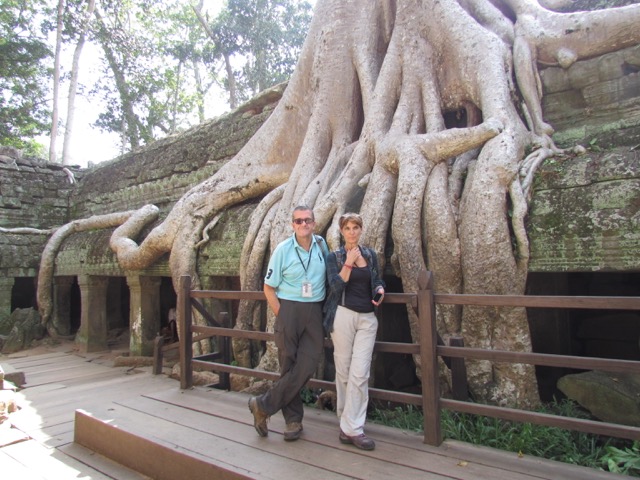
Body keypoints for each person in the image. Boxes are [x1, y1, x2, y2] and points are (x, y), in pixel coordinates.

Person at [248, 205, 329, 441]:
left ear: (314, 223)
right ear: (292, 224)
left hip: (315, 309)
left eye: (308, 220)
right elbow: (268, 287)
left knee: (308, 363)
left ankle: (262, 405)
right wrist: (282, 314)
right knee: (288, 365)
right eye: (298, 221)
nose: (303, 224)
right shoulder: (283, 250)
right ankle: (293, 421)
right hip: (289, 309)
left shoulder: (322, 246)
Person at [323, 212, 385, 451]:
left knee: (360, 373)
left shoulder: (370, 255)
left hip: (367, 319)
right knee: (344, 370)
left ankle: (354, 428)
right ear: (341, 231)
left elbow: (377, 280)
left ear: (361, 230)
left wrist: (379, 289)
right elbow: (335, 285)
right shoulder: (334, 256)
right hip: (343, 316)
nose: (351, 232)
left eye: (355, 227)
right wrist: (349, 261)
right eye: (347, 228)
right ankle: (345, 421)